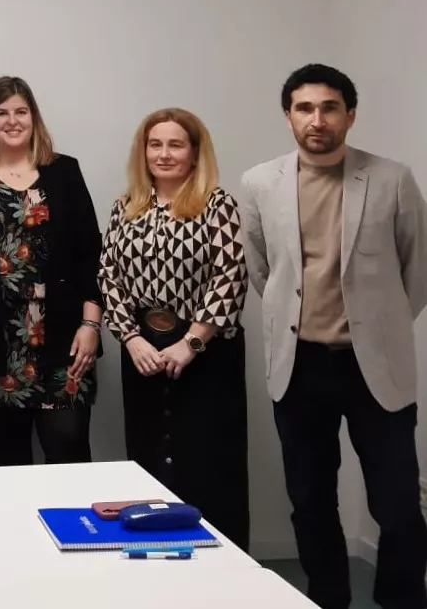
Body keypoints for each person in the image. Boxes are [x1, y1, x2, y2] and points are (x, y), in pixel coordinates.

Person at [240, 64, 427, 609]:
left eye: (328, 107)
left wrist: (378, 324)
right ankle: (327, 599)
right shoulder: (258, 183)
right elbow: (264, 271)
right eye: (304, 108)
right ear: (288, 116)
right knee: (312, 501)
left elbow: (416, 273)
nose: (316, 119)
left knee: (396, 505)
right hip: (298, 367)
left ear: (350, 114)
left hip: (375, 367)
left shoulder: (392, 178)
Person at [98, 107, 250, 551]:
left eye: (175, 144)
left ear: (194, 151)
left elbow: (232, 274)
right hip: (143, 351)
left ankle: (221, 569)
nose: (164, 154)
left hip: (203, 354)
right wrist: (131, 338)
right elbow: (108, 275)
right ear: (143, 152)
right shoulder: (125, 207)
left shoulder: (216, 204)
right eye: (155, 144)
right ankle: (155, 559)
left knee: (207, 465)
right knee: (149, 465)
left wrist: (192, 342)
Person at [0, 76, 103, 466]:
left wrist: (90, 327)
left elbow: (92, 257)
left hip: (65, 341)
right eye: (2, 112)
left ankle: (75, 529)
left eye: (20, 111)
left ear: (34, 118)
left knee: (69, 452)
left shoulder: (65, 173)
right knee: (9, 462)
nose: (12, 121)